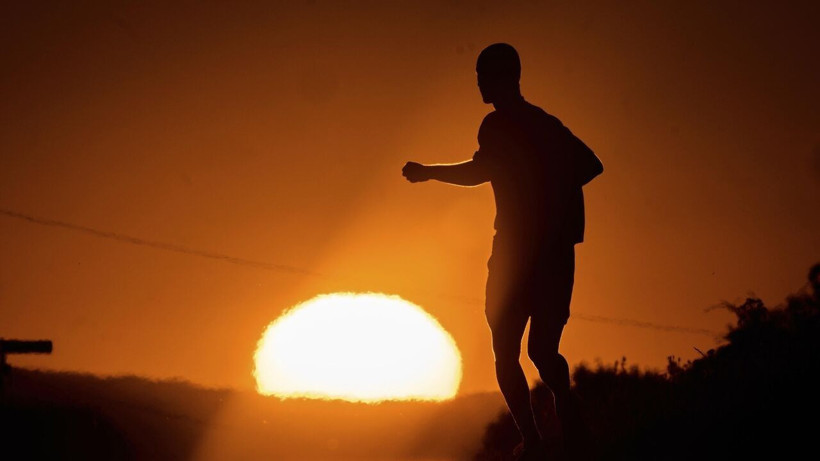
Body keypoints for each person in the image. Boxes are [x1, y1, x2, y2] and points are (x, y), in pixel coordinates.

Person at [402, 43, 603, 460]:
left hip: (525, 254)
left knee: (517, 351)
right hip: (546, 255)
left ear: (504, 78)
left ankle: (541, 436)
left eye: (483, 76)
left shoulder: (501, 124)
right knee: (534, 351)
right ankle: (554, 430)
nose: (478, 84)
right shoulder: (543, 124)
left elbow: (486, 170)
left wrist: (429, 173)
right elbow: (586, 166)